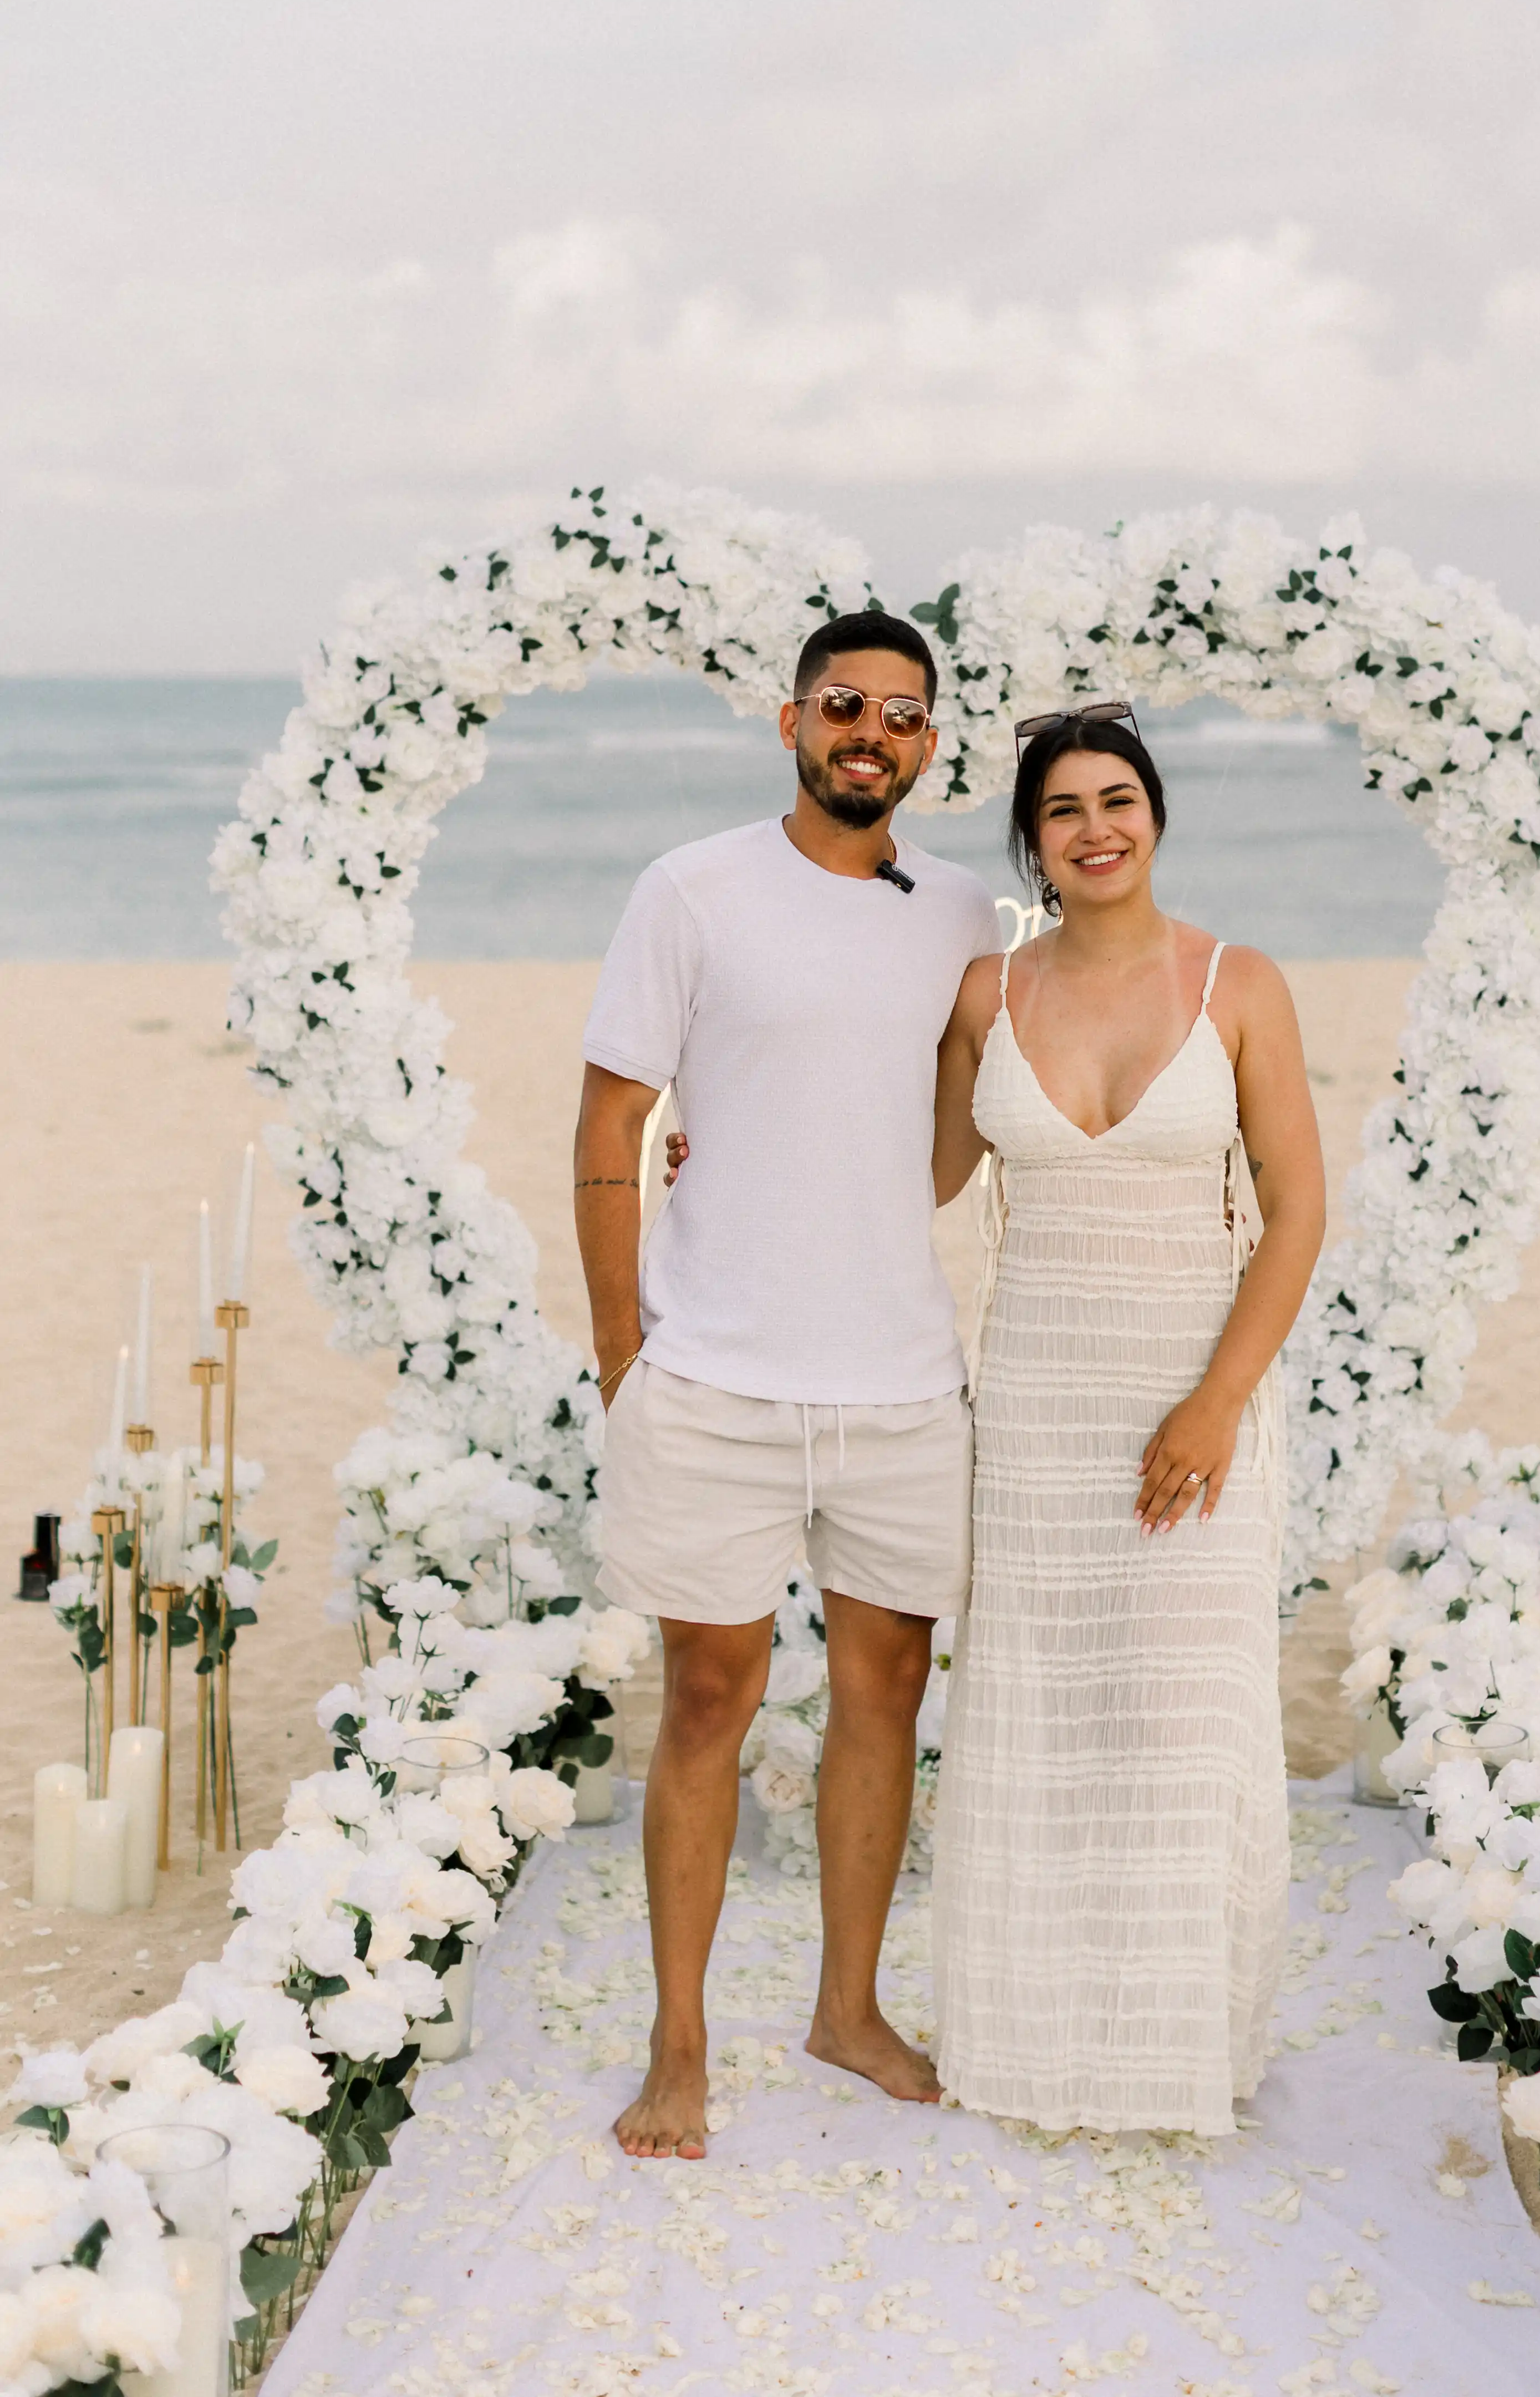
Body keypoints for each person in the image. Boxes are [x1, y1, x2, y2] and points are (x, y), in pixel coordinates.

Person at [573, 610, 1002, 2160]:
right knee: (708, 1695)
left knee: (888, 1693)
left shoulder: (964, 913)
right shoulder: (688, 888)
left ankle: (846, 2008)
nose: (867, 732)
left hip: (897, 1376)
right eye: (842, 705)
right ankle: (677, 2040)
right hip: (717, 1375)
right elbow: (608, 1127)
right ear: (791, 722)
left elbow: (942, 1154)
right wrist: (628, 1350)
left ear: (929, 745)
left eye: (899, 712)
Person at [927, 705, 1325, 2135]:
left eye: (1119, 799)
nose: (1096, 828)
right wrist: (712, 1128)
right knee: (1044, 1709)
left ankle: (1176, 2049)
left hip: (1197, 1393)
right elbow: (910, 1174)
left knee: (1177, 1714)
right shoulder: (987, 995)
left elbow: (1298, 1214)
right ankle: (1038, 2038)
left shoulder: (1239, 983)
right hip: (1035, 1397)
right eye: (1063, 810)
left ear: (1156, 815)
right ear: (1030, 840)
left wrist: (1218, 1407)